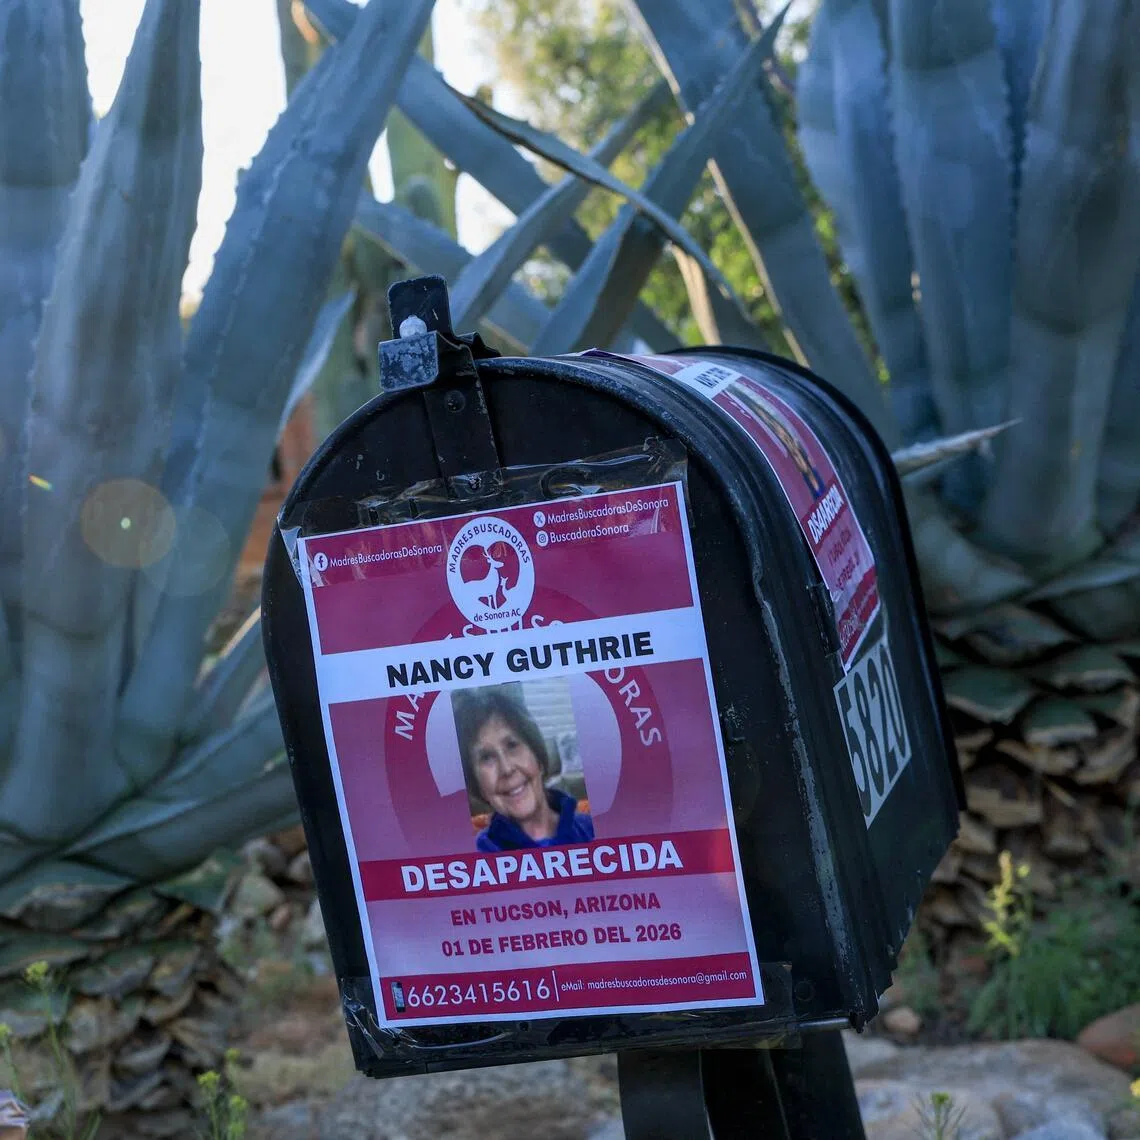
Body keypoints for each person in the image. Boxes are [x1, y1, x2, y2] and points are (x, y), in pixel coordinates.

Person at [454, 688, 594, 852]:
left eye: (512, 745)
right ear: (478, 785)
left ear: (537, 757)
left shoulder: (593, 829)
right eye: (486, 757)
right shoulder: (475, 855)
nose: (506, 769)